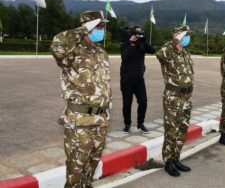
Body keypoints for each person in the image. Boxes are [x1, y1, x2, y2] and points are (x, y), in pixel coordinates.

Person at [51, 11, 112, 187]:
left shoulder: (101, 52)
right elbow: (57, 45)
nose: (102, 29)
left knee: (91, 165)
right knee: (76, 168)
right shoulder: (72, 50)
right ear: (87, 26)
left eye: (103, 26)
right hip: (80, 120)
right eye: (98, 26)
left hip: (101, 119)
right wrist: (81, 30)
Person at [156, 24, 194, 177]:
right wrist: (174, 41)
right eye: (184, 34)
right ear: (175, 34)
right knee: (171, 131)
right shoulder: (168, 51)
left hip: (186, 97)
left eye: (188, 34)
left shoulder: (185, 53)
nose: (187, 37)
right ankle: (168, 162)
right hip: (173, 97)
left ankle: (176, 158)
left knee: (182, 129)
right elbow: (159, 54)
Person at [119, 26, 155, 134]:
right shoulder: (125, 45)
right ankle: (127, 124)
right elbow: (125, 57)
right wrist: (131, 44)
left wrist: (144, 41)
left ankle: (140, 123)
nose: (139, 35)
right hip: (126, 79)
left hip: (139, 79)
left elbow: (153, 51)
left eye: (140, 33)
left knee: (143, 101)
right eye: (137, 33)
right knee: (127, 103)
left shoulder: (142, 44)